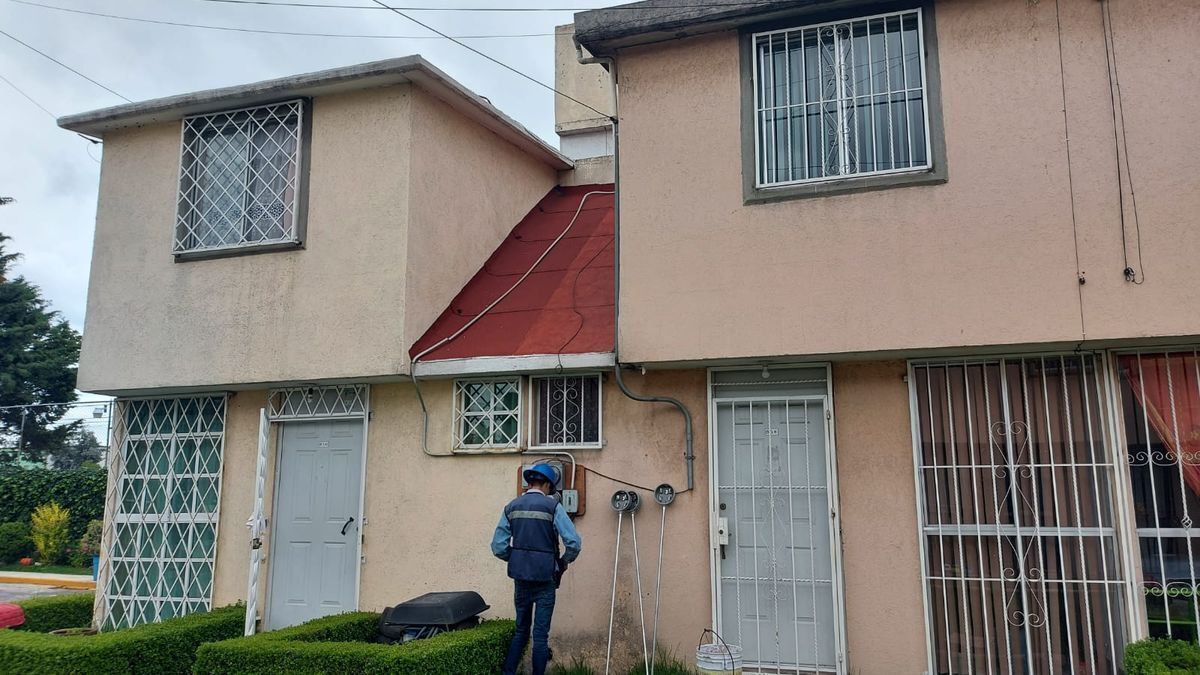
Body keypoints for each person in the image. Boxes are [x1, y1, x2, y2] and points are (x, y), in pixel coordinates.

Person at [491, 463, 582, 675]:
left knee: (521, 631)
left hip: (521, 579)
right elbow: (574, 543)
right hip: (545, 581)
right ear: (548, 485)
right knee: (540, 636)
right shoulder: (552, 507)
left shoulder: (511, 507)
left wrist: (516, 559)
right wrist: (563, 562)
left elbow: (498, 547)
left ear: (529, 483)